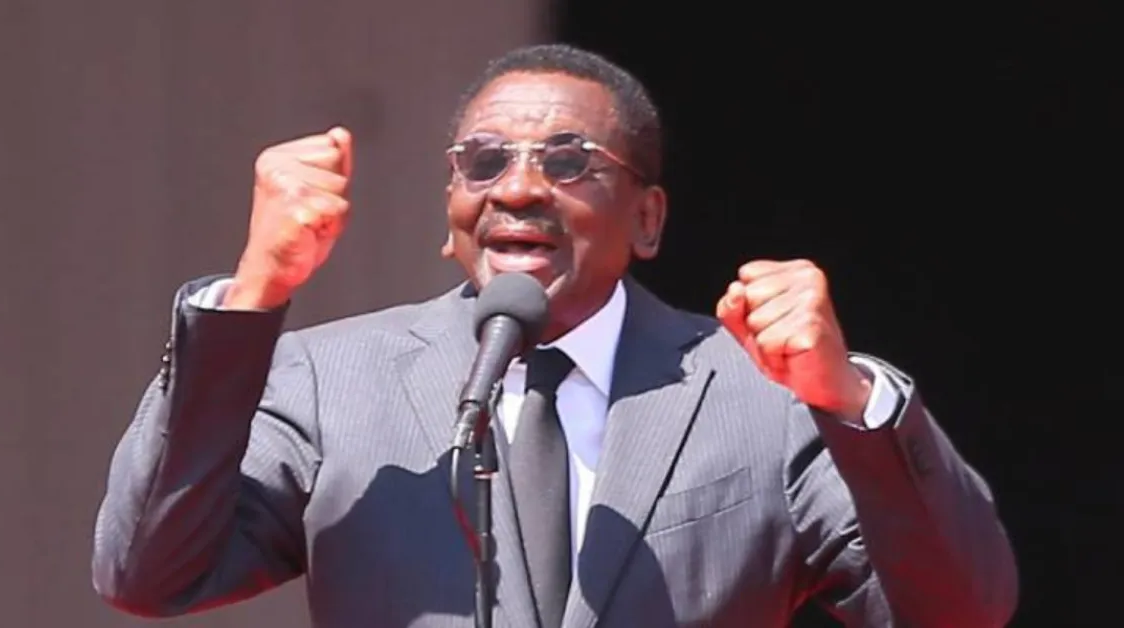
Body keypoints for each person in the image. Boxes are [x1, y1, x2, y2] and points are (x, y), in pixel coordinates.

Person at [91, 43, 1018, 627]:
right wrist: (255, 292)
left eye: (569, 160)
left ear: (647, 220)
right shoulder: (332, 380)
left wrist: (848, 399)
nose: (519, 187)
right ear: (451, 209)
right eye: (484, 161)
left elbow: (960, 610)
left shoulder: (760, 395)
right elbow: (148, 573)